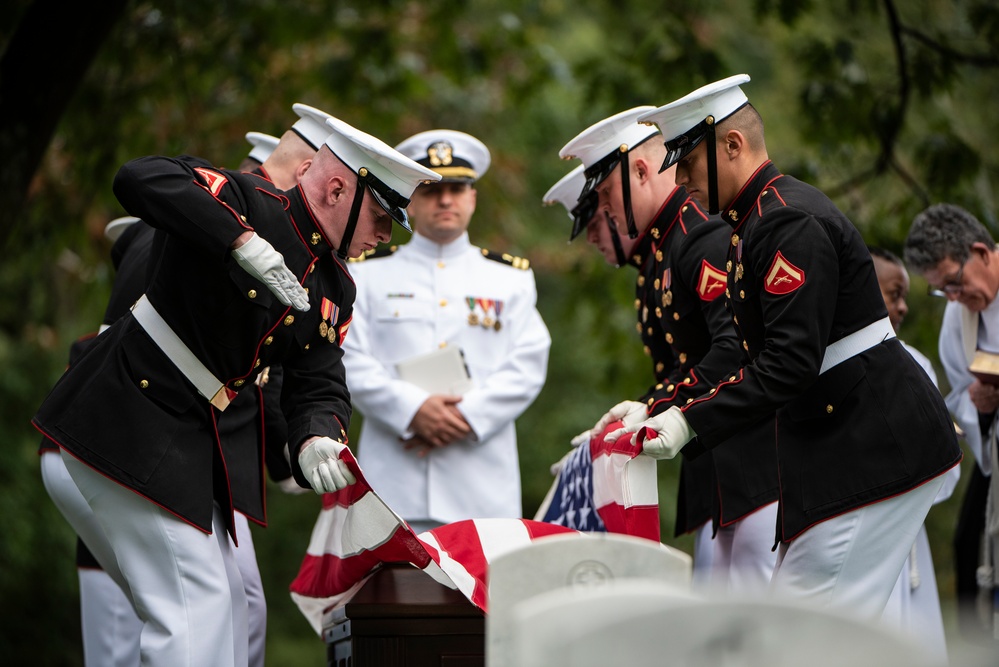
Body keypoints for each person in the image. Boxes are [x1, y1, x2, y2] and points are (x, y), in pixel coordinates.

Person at [33, 117, 440, 667]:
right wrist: (238, 240)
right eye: (380, 217)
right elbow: (140, 177)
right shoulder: (247, 201)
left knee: (228, 612)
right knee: (193, 612)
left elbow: (318, 378)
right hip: (131, 413)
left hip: (187, 439)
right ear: (338, 187)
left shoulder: (335, 286)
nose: (385, 236)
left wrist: (317, 437)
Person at [611, 74, 962, 619]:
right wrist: (662, 407)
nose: (679, 179)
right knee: (810, 633)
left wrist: (688, 423)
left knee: (798, 632)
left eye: (687, 162)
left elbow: (789, 362)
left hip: (871, 440)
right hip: (849, 438)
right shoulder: (754, 222)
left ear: (732, 146)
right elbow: (746, 353)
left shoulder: (785, 220)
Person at [556, 107, 779, 594]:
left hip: (755, 463)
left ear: (639, 170)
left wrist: (654, 410)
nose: (607, 212)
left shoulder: (699, 235)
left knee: (757, 625)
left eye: (607, 196)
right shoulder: (668, 246)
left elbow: (733, 348)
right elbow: (686, 364)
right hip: (722, 465)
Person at [341, 129, 550, 534]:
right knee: (387, 596)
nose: (446, 199)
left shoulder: (510, 280)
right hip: (392, 486)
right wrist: (412, 410)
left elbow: (527, 364)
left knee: (482, 596)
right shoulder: (367, 274)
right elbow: (348, 356)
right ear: (411, 201)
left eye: (457, 188)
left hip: (480, 485)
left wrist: (465, 416)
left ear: (473, 197)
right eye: (432, 189)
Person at [904, 203, 999, 642]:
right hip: (993, 452)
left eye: (956, 283)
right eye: (944, 291)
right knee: (969, 546)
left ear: (981, 252)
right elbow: (959, 393)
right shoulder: (957, 319)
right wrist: (977, 401)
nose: (956, 298)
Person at [869, 246, 958, 664]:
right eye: (894, 293)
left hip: (903, 532)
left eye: (904, 295)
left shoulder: (916, 364)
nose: (903, 306)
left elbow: (947, 460)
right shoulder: (825, 359)